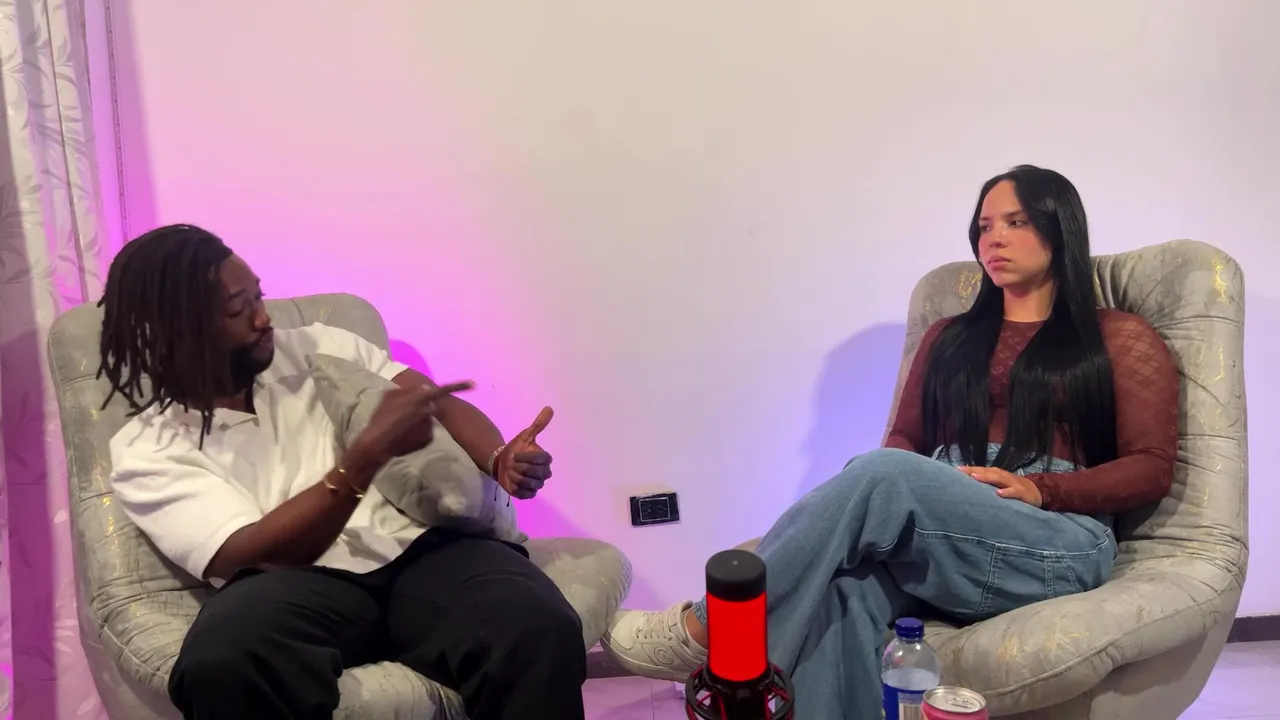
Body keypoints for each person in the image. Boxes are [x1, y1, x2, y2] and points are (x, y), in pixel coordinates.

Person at [601, 165, 1179, 718]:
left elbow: (1152, 466)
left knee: (881, 471)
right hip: (947, 529)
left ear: (1060, 227)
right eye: (984, 226)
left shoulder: (1117, 337)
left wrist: (1041, 488)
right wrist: (919, 488)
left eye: (1016, 221)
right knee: (841, 595)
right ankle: (748, 697)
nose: (994, 239)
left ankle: (709, 628)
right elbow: (906, 438)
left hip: (1055, 538)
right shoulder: (949, 337)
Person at [99, 225, 586, 719]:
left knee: (536, 627)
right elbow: (251, 553)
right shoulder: (149, 449)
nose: (263, 318)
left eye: (258, 296)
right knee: (219, 663)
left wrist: (498, 457)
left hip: (426, 549)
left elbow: (432, 401)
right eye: (236, 310)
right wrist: (365, 457)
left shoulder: (318, 346)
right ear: (177, 333)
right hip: (296, 583)